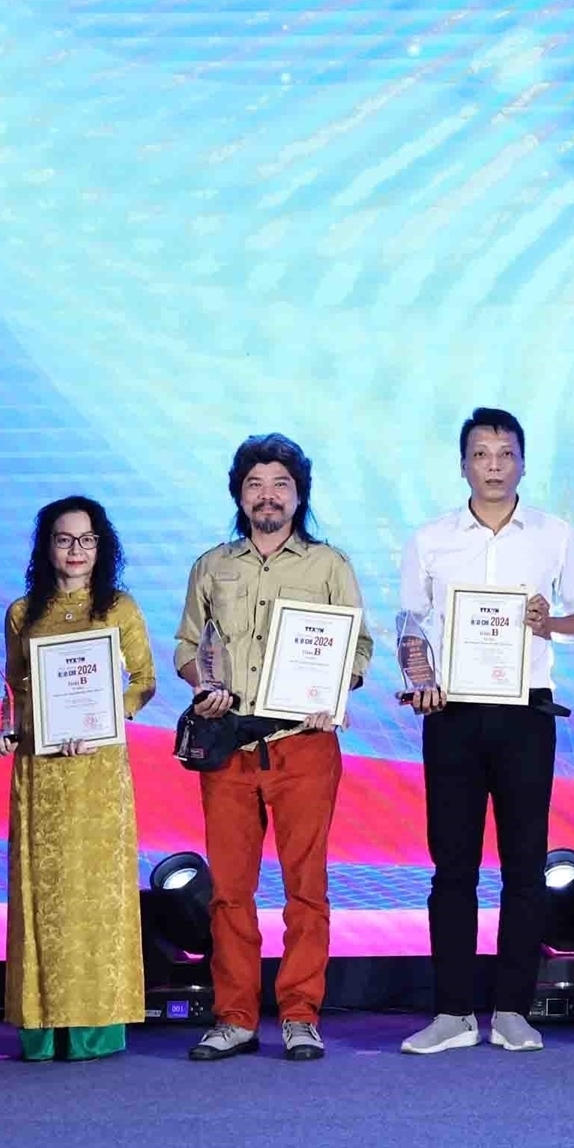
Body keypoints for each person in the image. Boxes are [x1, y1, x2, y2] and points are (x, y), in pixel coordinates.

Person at [395, 408, 574, 1058]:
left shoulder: (555, 535)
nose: (493, 465)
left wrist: (550, 624)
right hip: (451, 714)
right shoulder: (431, 539)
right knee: (452, 867)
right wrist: (418, 672)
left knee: (524, 867)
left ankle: (513, 1009)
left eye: (505, 453)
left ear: (522, 463)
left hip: (525, 715)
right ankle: (453, 1012)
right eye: (481, 454)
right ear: (463, 465)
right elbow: (410, 624)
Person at [171, 434, 373, 1063]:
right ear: (239, 495)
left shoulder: (328, 565)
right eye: (255, 484)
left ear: (298, 495)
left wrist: (334, 687)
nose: (268, 496)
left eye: (281, 484)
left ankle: (300, 1014)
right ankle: (234, 1016)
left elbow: (358, 647)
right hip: (228, 744)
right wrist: (203, 684)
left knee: (305, 889)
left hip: (303, 743)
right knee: (229, 891)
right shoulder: (212, 566)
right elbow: (186, 646)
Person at [0, 496, 159, 1062]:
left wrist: (107, 717)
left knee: (98, 896)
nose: (76, 550)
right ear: (47, 547)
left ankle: (95, 1029)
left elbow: (145, 681)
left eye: (87, 540)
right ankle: (41, 1028)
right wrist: (6, 731)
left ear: (101, 547)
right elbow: (15, 691)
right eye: (64, 539)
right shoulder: (22, 613)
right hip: (40, 772)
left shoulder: (120, 607)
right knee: (40, 894)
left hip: (99, 773)